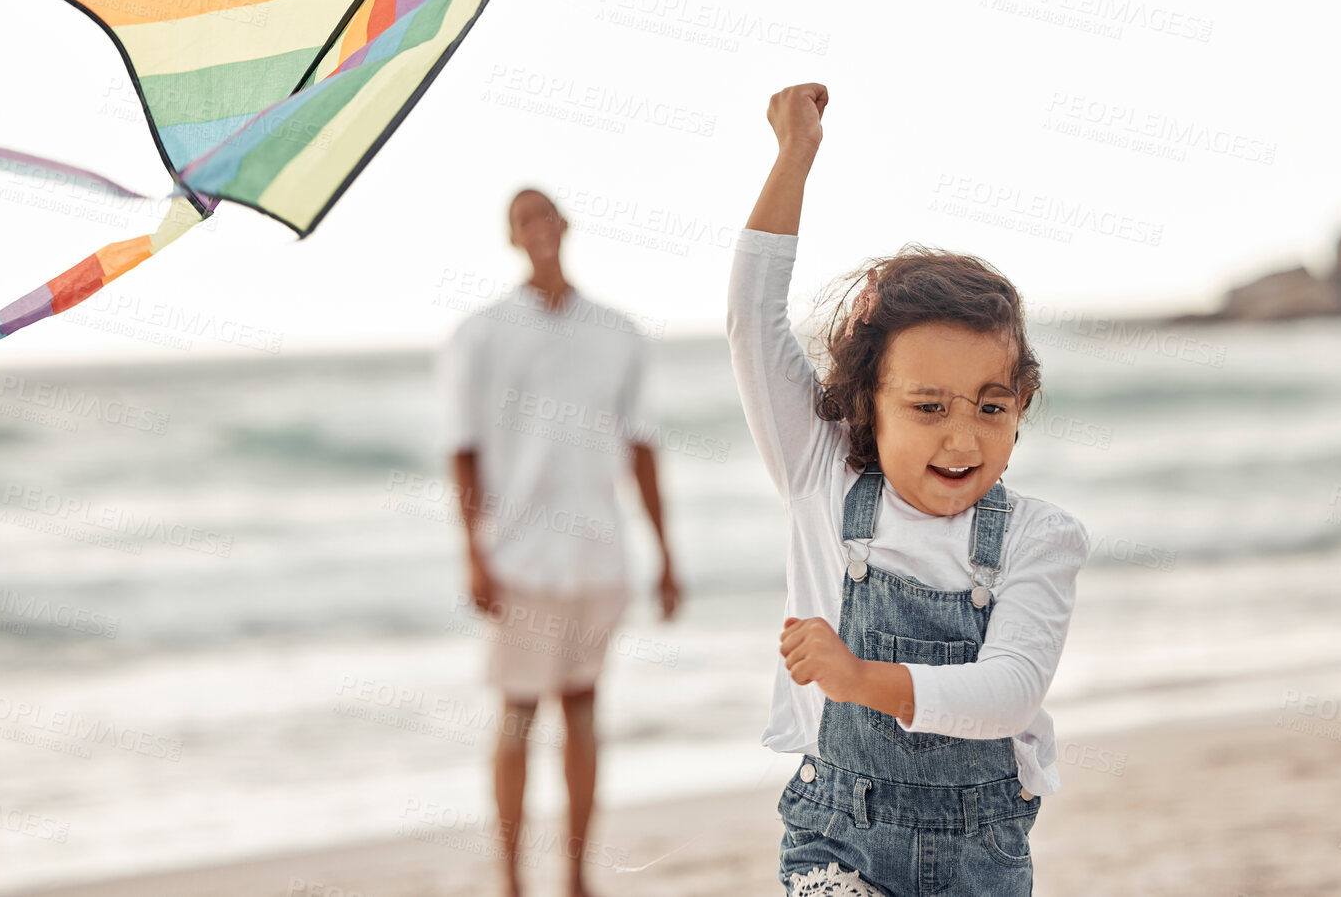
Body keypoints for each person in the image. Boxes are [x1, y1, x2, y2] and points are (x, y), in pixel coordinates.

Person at [728, 83, 1089, 897]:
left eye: (990, 407)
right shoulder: (819, 477)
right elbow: (751, 321)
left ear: (1021, 404)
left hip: (977, 858)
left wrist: (857, 676)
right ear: (867, 402)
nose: (961, 438)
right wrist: (794, 156)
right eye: (927, 407)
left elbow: (1006, 694)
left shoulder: (1038, 536)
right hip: (837, 838)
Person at [439, 187, 682, 897]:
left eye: (545, 214)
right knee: (516, 711)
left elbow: (641, 447)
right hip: (518, 557)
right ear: (512, 238)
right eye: (523, 219)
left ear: (565, 225)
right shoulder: (481, 332)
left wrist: (664, 554)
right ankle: (511, 880)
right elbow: (462, 448)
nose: (538, 229)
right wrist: (472, 552)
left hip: (597, 556)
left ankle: (576, 877)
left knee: (582, 709)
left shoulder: (616, 331)